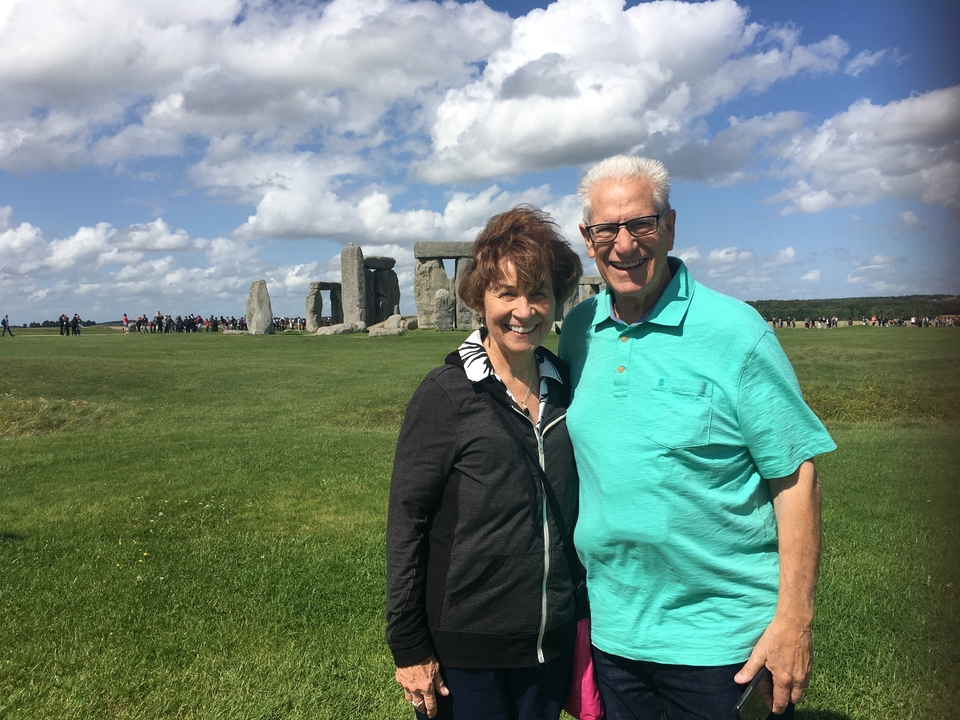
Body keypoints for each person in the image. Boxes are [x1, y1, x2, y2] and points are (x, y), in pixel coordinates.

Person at [557, 156, 837, 720]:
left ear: (671, 226)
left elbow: (795, 477)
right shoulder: (578, 330)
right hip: (615, 631)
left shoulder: (736, 331)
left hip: (723, 638)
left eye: (642, 224)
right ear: (587, 240)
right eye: (606, 230)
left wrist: (794, 620)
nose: (625, 244)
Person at [386, 205, 585, 720]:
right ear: (479, 298)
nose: (525, 309)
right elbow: (407, 522)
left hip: (550, 642)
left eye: (539, 291)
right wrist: (409, 647)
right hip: (466, 651)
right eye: (507, 293)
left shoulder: (567, 386)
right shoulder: (446, 394)